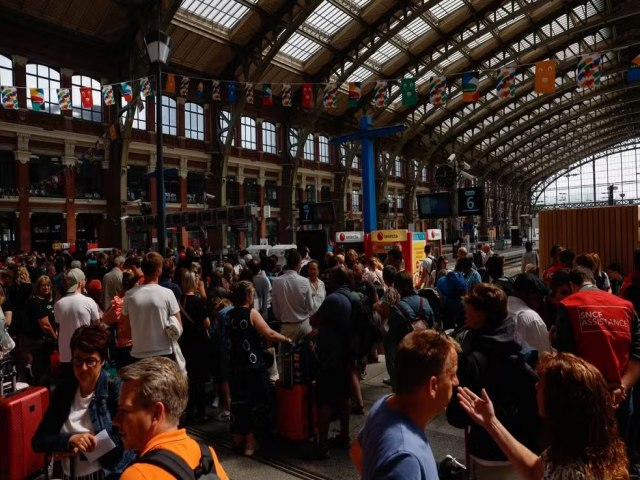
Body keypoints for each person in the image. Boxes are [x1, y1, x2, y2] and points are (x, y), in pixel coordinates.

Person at [457, 352, 629, 480]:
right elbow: (534, 469)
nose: (536, 386)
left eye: (542, 384)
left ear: (559, 402)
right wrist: (491, 422)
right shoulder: (575, 446)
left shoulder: (569, 473)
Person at [447, 283, 541, 480]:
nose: (465, 311)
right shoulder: (518, 343)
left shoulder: (473, 358)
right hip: (524, 449)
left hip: (488, 451)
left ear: (482, 314)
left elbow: (457, 416)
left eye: (469, 308)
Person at [351, 330, 460, 479]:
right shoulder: (405, 460)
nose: (456, 382)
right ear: (433, 386)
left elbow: (356, 450)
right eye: (452, 374)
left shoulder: (385, 403)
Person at [33, 324, 134, 479]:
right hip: (69, 474)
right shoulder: (64, 390)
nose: (83, 368)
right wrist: (70, 440)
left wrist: (78, 450)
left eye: (90, 361)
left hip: (104, 474)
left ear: (102, 360)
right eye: (78, 361)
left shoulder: (115, 388)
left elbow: (125, 439)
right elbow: (40, 440)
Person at [114, 357, 229, 480]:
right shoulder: (206, 456)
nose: (115, 420)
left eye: (125, 410)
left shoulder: (138, 475)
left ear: (156, 413)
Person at [227, 281, 292, 456]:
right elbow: (268, 333)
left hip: (235, 365)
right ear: (248, 296)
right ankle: (251, 442)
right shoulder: (251, 313)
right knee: (255, 401)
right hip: (252, 366)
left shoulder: (227, 314)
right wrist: (287, 339)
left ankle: (238, 438)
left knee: (239, 401)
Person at [311, 266, 354, 459]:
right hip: (347, 355)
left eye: (330, 277)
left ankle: (322, 444)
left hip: (331, 358)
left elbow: (313, 320)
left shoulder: (333, 299)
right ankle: (344, 437)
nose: (327, 280)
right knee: (345, 397)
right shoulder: (353, 297)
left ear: (336, 280)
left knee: (325, 401)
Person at [121, 252, 182, 361]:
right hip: (164, 351)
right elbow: (178, 325)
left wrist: (137, 339)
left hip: (138, 352)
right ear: (159, 271)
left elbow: (125, 326)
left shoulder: (129, 295)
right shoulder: (168, 293)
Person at [386, 271, 434, 388]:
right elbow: (432, 323)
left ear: (398, 288)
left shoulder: (396, 308)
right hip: (425, 353)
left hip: (407, 357)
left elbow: (393, 338)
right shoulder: (424, 301)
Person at [179, 270, 213, 424]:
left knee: (190, 377)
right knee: (199, 379)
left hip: (185, 341)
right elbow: (207, 323)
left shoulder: (180, 300)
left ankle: (190, 409)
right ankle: (201, 411)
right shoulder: (197, 302)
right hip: (199, 342)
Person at [55, 268, 101, 375]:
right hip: (85, 351)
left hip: (65, 354)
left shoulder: (59, 304)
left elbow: (58, 326)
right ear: (81, 282)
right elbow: (97, 326)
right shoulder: (89, 301)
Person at [271, 249, 313, 342]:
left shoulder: (276, 281)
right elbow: (310, 307)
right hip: (304, 325)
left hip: (287, 327)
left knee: (286, 355)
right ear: (299, 264)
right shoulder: (305, 281)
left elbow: (275, 309)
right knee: (307, 355)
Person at [22, 275, 57, 385]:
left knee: (45, 371)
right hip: (38, 342)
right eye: (43, 285)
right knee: (42, 373)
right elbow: (45, 325)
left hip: (45, 342)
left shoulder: (46, 301)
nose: (46, 288)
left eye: (48, 285)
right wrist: (55, 338)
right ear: (38, 287)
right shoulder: (36, 301)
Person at [102, 269, 139, 369]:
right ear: (136, 283)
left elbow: (105, 318)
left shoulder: (119, 302)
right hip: (140, 342)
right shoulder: (141, 299)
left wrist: (119, 295)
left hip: (123, 344)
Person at [507, 273, 551, 354]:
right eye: (539, 298)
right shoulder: (531, 318)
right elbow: (545, 356)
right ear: (526, 294)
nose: (539, 304)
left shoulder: (501, 309)